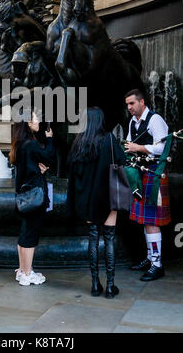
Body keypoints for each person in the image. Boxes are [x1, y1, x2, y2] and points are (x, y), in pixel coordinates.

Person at [67, 107, 126, 299]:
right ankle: (110, 286)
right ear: (101, 121)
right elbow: (121, 160)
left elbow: (73, 174)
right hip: (107, 197)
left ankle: (94, 284)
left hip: (87, 200)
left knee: (93, 240)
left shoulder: (78, 143)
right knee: (109, 239)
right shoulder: (109, 139)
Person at [124, 89, 170, 281]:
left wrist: (138, 148)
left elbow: (163, 146)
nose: (129, 108)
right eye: (127, 105)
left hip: (154, 173)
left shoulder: (155, 119)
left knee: (151, 220)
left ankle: (157, 265)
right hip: (140, 174)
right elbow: (128, 142)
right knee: (146, 220)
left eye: (132, 104)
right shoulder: (133, 122)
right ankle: (150, 259)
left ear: (142, 102)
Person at [9, 109, 55, 286]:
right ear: (28, 123)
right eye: (36, 119)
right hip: (35, 195)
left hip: (24, 194)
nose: (38, 122)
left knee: (24, 234)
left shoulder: (21, 144)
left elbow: (29, 167)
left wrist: (40, 169)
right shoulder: (31, 144)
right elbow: (49, 156)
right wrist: (49, 138)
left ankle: (22, 270)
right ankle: (27, 274)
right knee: (31, 235)